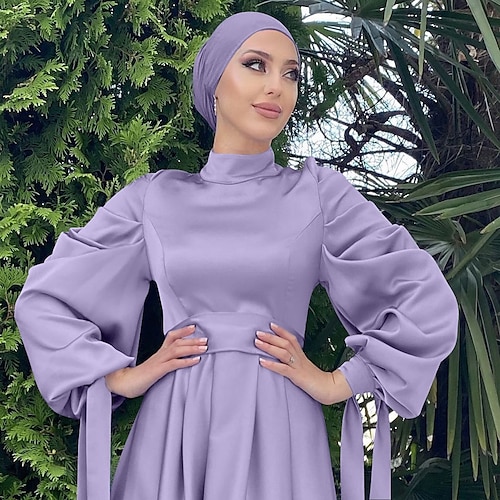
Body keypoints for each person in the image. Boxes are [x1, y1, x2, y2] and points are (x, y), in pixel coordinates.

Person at [14, 10, 459, 500]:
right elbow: (47, 299)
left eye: (291, 73)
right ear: (213, 84)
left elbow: (425, 301)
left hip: (280, 433)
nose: (276, 87)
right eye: (255, 64)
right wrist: (121, 376)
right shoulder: (154, 199)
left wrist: (339, 382)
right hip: (172, 435)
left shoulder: (317, 196)